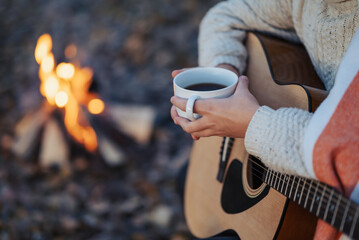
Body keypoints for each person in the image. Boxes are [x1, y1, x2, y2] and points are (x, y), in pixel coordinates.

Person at [170, 0, 359, 239]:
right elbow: (223, 17)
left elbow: (346, 147)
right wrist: (224, 83)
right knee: (186, 181)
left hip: (311, 205)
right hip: (272, 148)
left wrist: (252, 124)